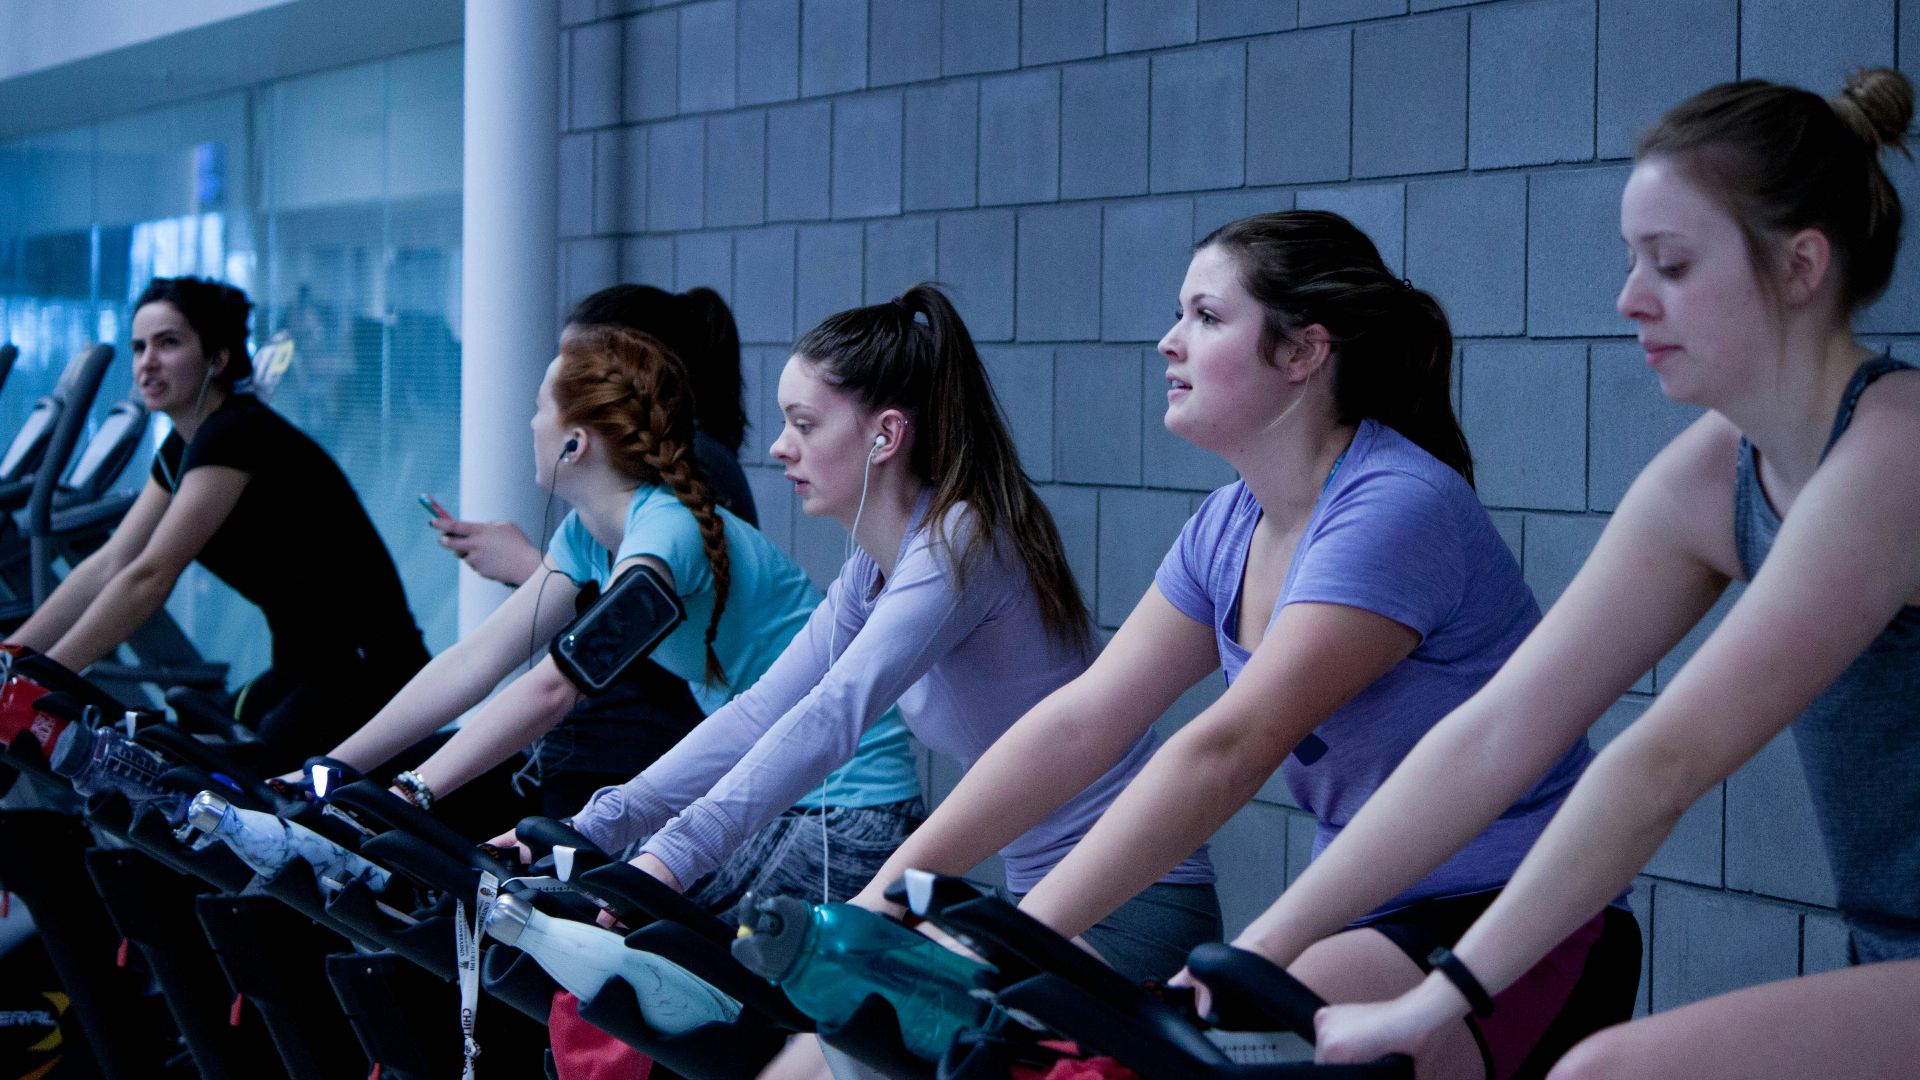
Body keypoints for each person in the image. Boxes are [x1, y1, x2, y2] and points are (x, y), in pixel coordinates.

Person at [1225, 70, 1920, 1080]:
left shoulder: (1894, 458)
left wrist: (1447, 992)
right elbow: (1498, 731)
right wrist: (1262, 945)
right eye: (1632, 260)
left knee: (1605, 1072)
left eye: (1671, 264)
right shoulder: (1713, 473)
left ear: (1801, 264)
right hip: (1890, 951)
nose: (1629, 299)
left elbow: (1666, 761)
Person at [856, 212, 1642, 1080]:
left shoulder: (1394, 506)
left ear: (1303, 353)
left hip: (1513, 912)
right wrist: (881, 898)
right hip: (1366, 908)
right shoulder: (1226, 527)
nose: (1168, 343)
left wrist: (1028, 938)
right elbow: (1079, 723)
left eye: (1205, 316)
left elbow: (1230, 748)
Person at [567, 284, 1220, 984]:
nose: (781, 448)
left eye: (806, 424)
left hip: (1134, 902)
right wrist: (601, 825)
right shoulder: (872, 573)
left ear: (885, 434)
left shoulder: (959, 542)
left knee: (833, 1030)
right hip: (1049, 897)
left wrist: (675, 855)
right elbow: (763, 708)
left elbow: (835, 712)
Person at [322, 324, 922, 890]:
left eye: (540, 408)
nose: (530, 423)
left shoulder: (666, 533)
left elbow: (555, 689)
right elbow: (475, 660)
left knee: (614, 934)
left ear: (575, 442)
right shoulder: (588, 538)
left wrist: (416, 789)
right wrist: (333, 769)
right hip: (775, 792)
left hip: (846, 809)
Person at [6, 277, 427, 769]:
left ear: (218, 359)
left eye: (169, 343)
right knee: (188, 744)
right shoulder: (185, 446)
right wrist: (15, 658)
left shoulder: (234, 435)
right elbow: (112, 562)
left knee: (219, 780)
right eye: (139, 346)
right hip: (308, 668)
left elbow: (149, 576)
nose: (147, 361)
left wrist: (40, 682)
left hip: (368, 672)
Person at [429, 285, 762, 813]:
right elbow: (474, 662)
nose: (542, 413)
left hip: (635, 757)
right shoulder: (590, 526)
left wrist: (525, 565)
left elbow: (639, 622)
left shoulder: (690, 479)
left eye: (573, 368)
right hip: (594, 749)